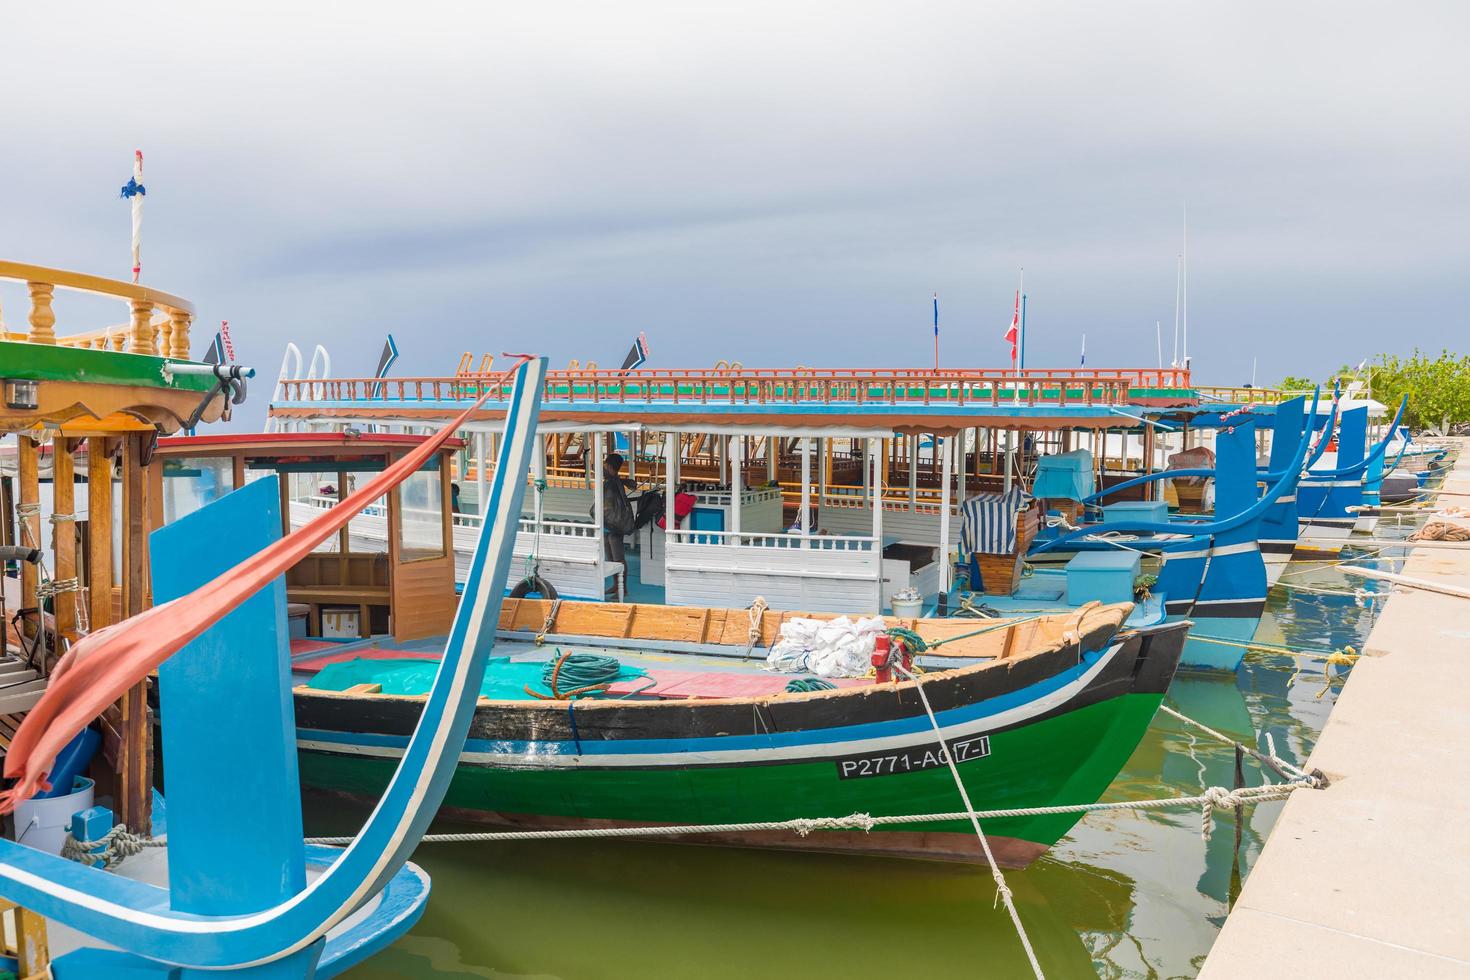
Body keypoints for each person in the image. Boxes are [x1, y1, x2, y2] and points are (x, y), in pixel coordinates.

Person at [598, 452, 635, 565]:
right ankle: (616, 583)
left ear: (608, 466)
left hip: (613, 525)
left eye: (605, 465)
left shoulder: (612, 482)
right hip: (609, 524)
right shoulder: (613, 480)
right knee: (611, 560)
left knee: (618, 559)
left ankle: (620, 583)